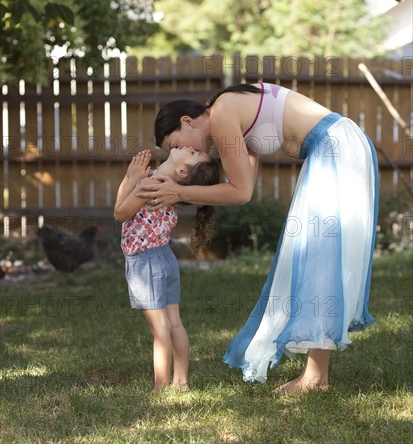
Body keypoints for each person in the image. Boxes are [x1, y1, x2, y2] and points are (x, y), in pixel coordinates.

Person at [136, 82, 379, 395]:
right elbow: (244, 189)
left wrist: (178, 192)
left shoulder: (222, 113)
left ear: (187, 121)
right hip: (337, 146)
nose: (178, 152)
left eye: (173, 144)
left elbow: (240, 191)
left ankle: (316, 379)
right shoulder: (229, 117)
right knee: (316, 256)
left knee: (321, 258)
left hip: (335, 148)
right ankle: (316, 375)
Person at [114, 147, 220, 393]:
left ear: (182, 171)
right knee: (174, 323)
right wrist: (135, 178)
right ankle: (181, 382)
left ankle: (159, 387)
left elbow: (119, 213)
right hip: (165, 257)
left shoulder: (151, 184)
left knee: (159, 327)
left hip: (145, 262)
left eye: (194, 153)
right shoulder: (167, 187)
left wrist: (130, 177)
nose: (191, 147)